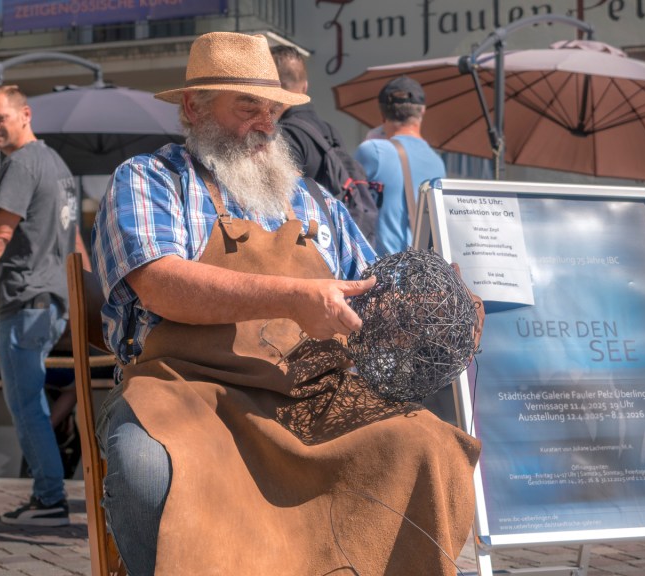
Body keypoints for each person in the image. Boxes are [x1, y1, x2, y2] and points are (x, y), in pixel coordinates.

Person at [90, 32, 481, 576]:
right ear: (192, 106)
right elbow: (161, 283)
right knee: (146, 469)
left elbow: (367, 296)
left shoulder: (315, 200)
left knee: (425, 444)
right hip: (184, 389)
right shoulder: (152, 180)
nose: (265, 122)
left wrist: (426, 303)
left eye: (274, 108)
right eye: (247, 105)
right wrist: (296, 297)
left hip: (312, 394)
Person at [0, 85, 90, 527]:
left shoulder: (21, 164)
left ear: (25, 114)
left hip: (25, 299)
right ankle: (44, 496)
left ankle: (49, 499)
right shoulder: (58, 165)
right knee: (34, 401)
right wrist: (82, 294)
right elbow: (76, 240)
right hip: (52, 300)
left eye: (0, 118)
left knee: (26, 403)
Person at [270, 45, 378, 243]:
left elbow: (285, 206)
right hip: (336, 239)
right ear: (305, 86)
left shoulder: (284, 135)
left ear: (272, 87)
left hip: (310, 244)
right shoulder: (329, 131)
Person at [355, 75, 446, 256]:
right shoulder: (438, 163)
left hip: (379, 272)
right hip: (420, 273)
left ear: (382, 114)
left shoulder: (372, 150)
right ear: (422, 112)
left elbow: (348, 206)